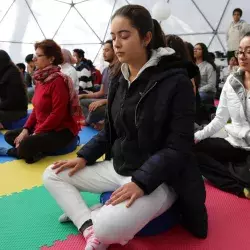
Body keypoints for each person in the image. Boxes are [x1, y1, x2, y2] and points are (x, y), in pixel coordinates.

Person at [43, 5, 207, 250]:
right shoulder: (121, 78)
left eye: (124, 35)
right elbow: (110, 131)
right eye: (113, 37)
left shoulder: (176, 81)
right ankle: (89, 224)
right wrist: (83, 157)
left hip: (159, 178)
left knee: (109, 227)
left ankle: (98, 224)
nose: (116, 43)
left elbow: (178, 146)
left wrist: (141, 182)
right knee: (52, 174)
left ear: (146, 37)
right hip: (119, 166)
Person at [0, 40, 83, 163]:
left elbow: (57, 114)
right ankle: (36, 151)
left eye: (39, 56)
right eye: (35, 55)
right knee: (10, 136)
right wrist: (26, 130)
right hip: (42, 127)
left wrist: (35, 133)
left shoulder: (58, 81)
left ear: (51, 59)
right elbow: (36, 110)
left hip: (59, 131)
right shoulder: (41, 79)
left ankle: (11, 152)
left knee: (26, 144)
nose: (34, 59)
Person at [194, 32, 250, 199]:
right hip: (234, 143)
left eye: (248, 51)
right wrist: (197, 136)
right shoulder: (232, 82)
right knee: (192, 149)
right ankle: (240, 188)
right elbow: (219, 119)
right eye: (240, 51)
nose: (242, 55)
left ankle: (239, 173)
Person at [79, 40, 121, 127]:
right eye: (103, 50)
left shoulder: (120, 69)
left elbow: (120, 96)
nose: (103, 53)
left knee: (96, 108)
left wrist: (103, 101)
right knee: (81, 101)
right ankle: (95, 122)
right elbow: (101, 92)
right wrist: (84, 95)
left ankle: (90, 122)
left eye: (107, 50)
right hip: (105, 101)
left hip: (113, 103)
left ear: (115, 51)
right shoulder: (106, 70)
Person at [0, 50, 28, 129]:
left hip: (16, 112)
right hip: (9, 108)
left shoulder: (12, 74)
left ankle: (4, 124)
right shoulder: (5, 72)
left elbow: (12, 101)